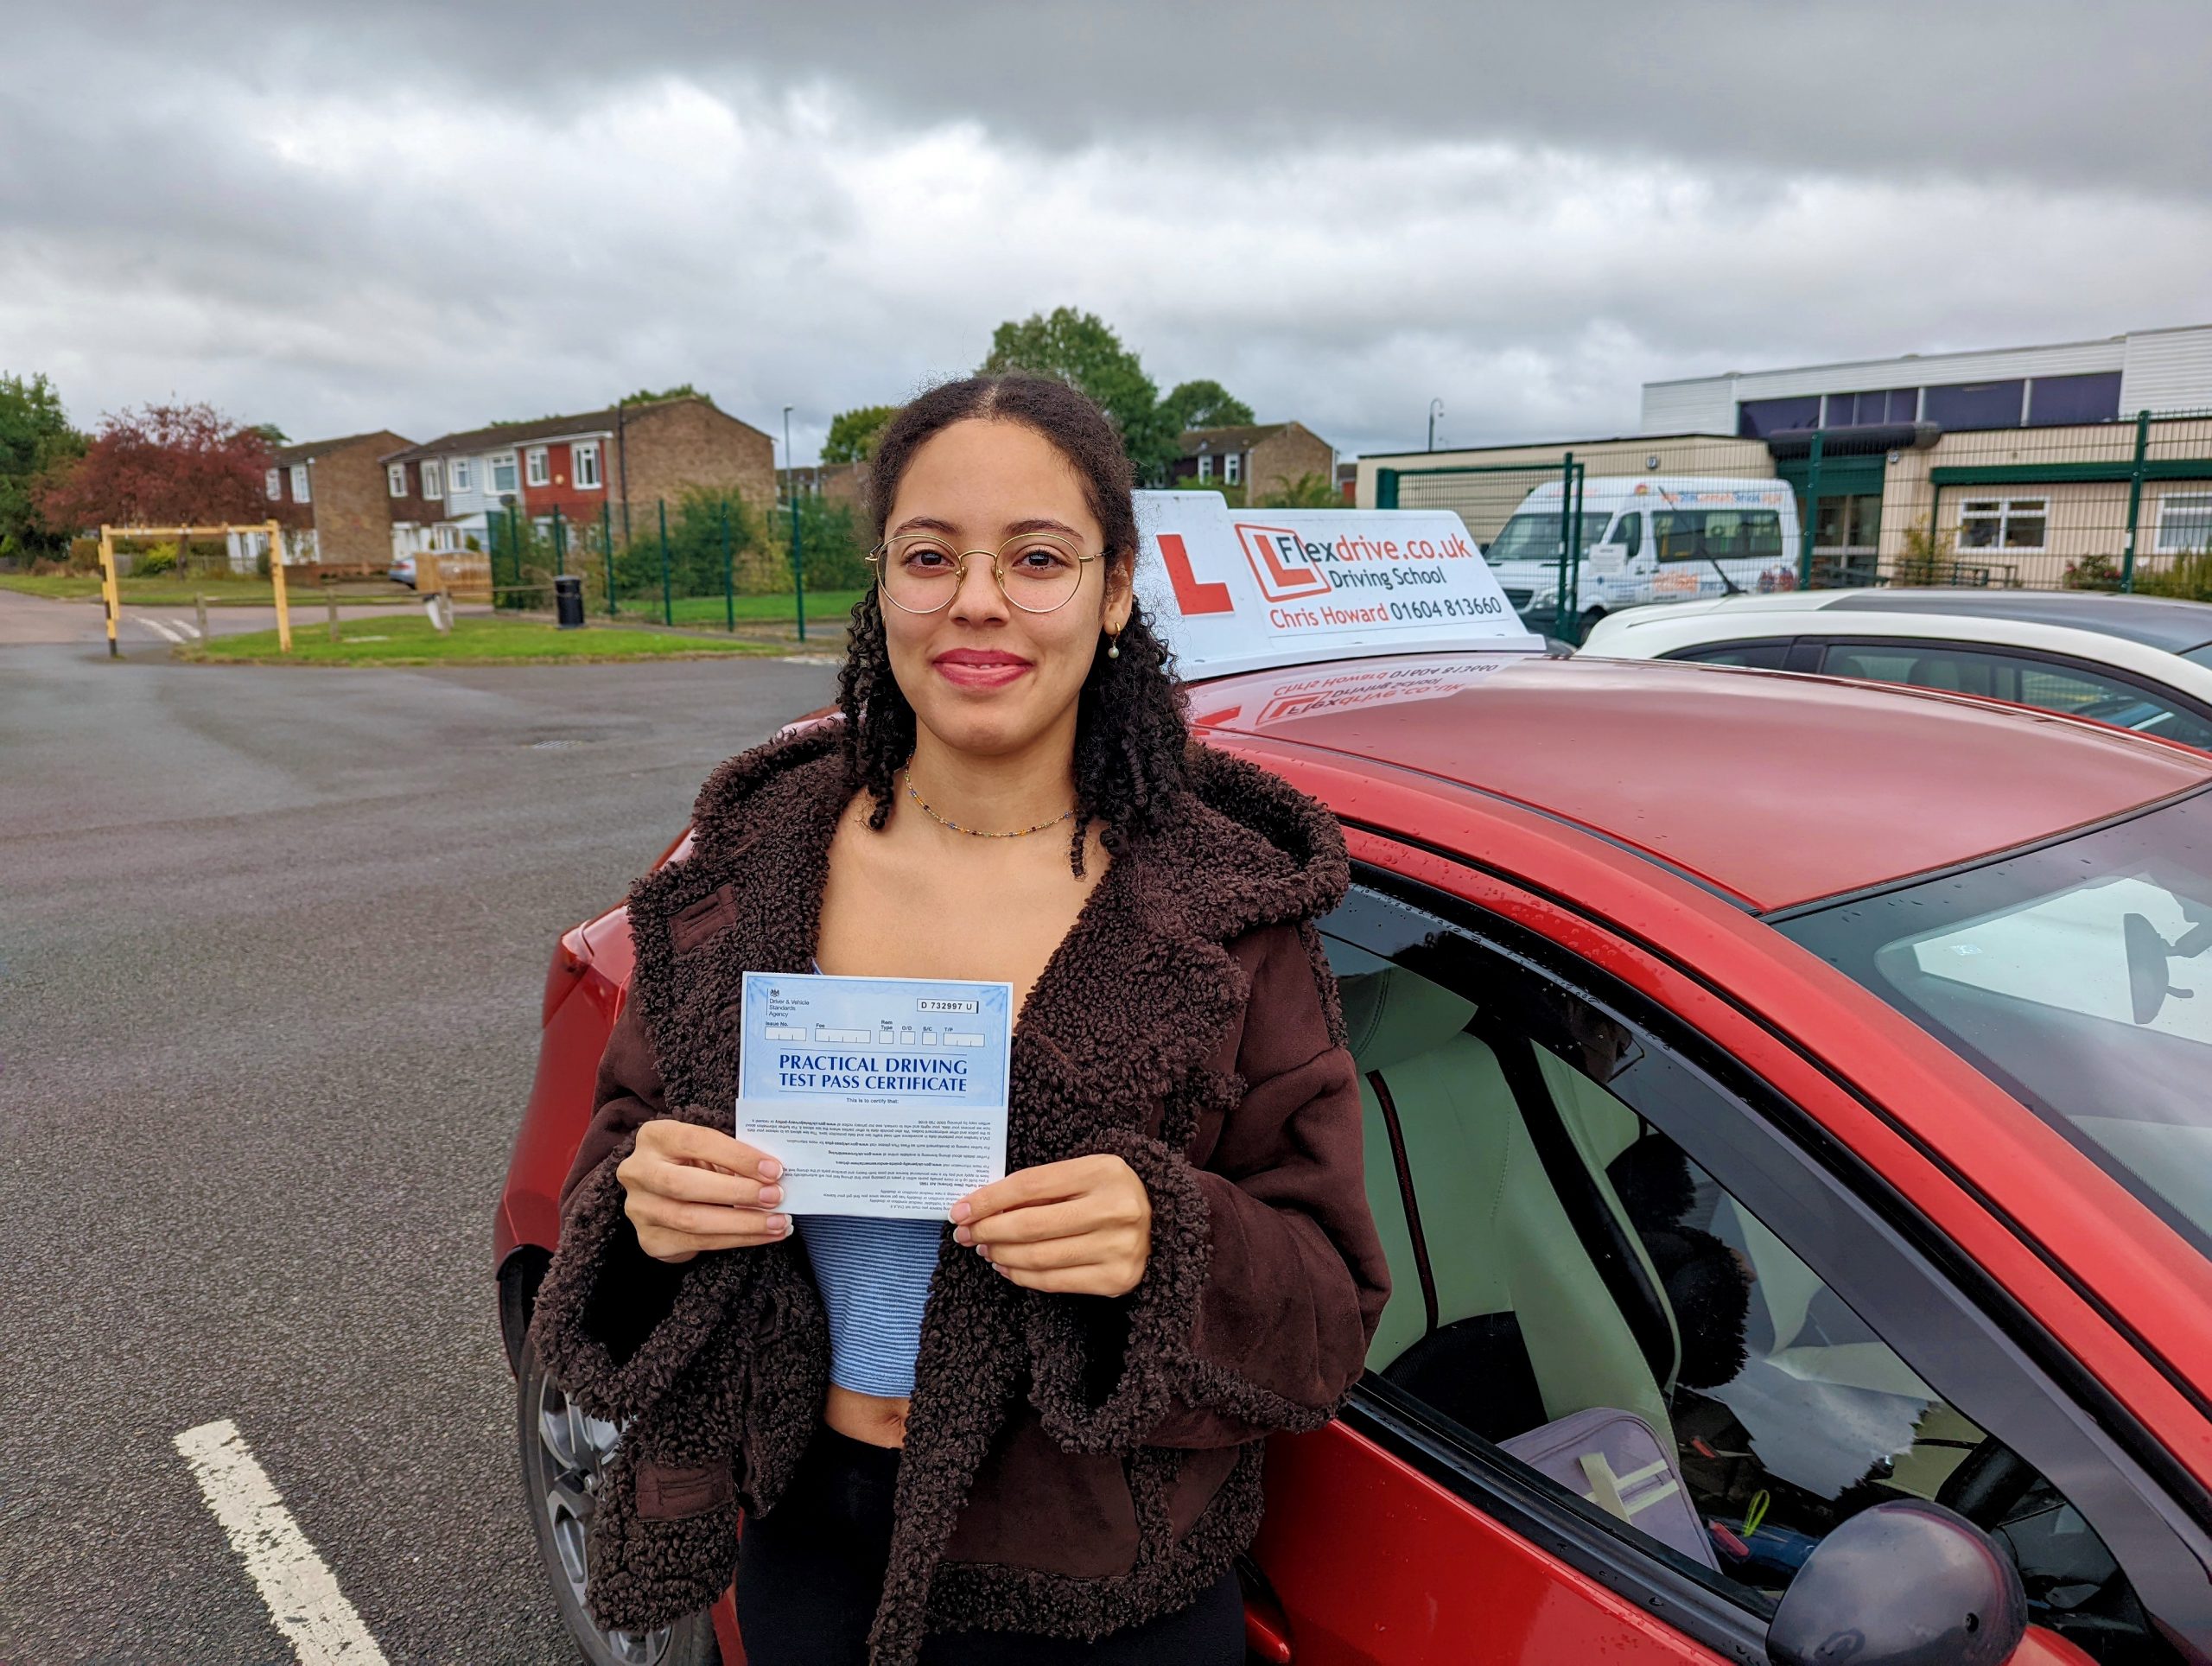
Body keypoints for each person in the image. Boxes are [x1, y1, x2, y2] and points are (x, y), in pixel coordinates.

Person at [529, 373, 1390, 1666]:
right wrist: (647, 1218)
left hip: (1110, 1602)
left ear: (1112, 596)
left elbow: (1328, 1310)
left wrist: (1172, 1239)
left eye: (1037, 557)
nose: (976, 598)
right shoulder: (744, 875)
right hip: (809, 1555)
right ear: (883, 585)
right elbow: (609, 1187)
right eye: (930, 555)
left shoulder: (1228, 913)